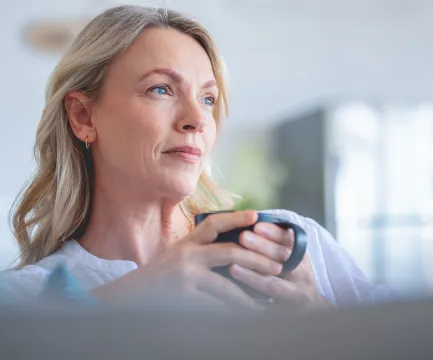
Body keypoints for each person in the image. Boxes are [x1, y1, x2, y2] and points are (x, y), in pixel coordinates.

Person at [1, 5, 391, 311]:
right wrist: (136, 297)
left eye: (207, 98)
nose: (197, 120)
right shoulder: (25, 299)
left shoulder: (291, 249)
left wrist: (324, 320)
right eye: (160, 89)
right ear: (83, 116)